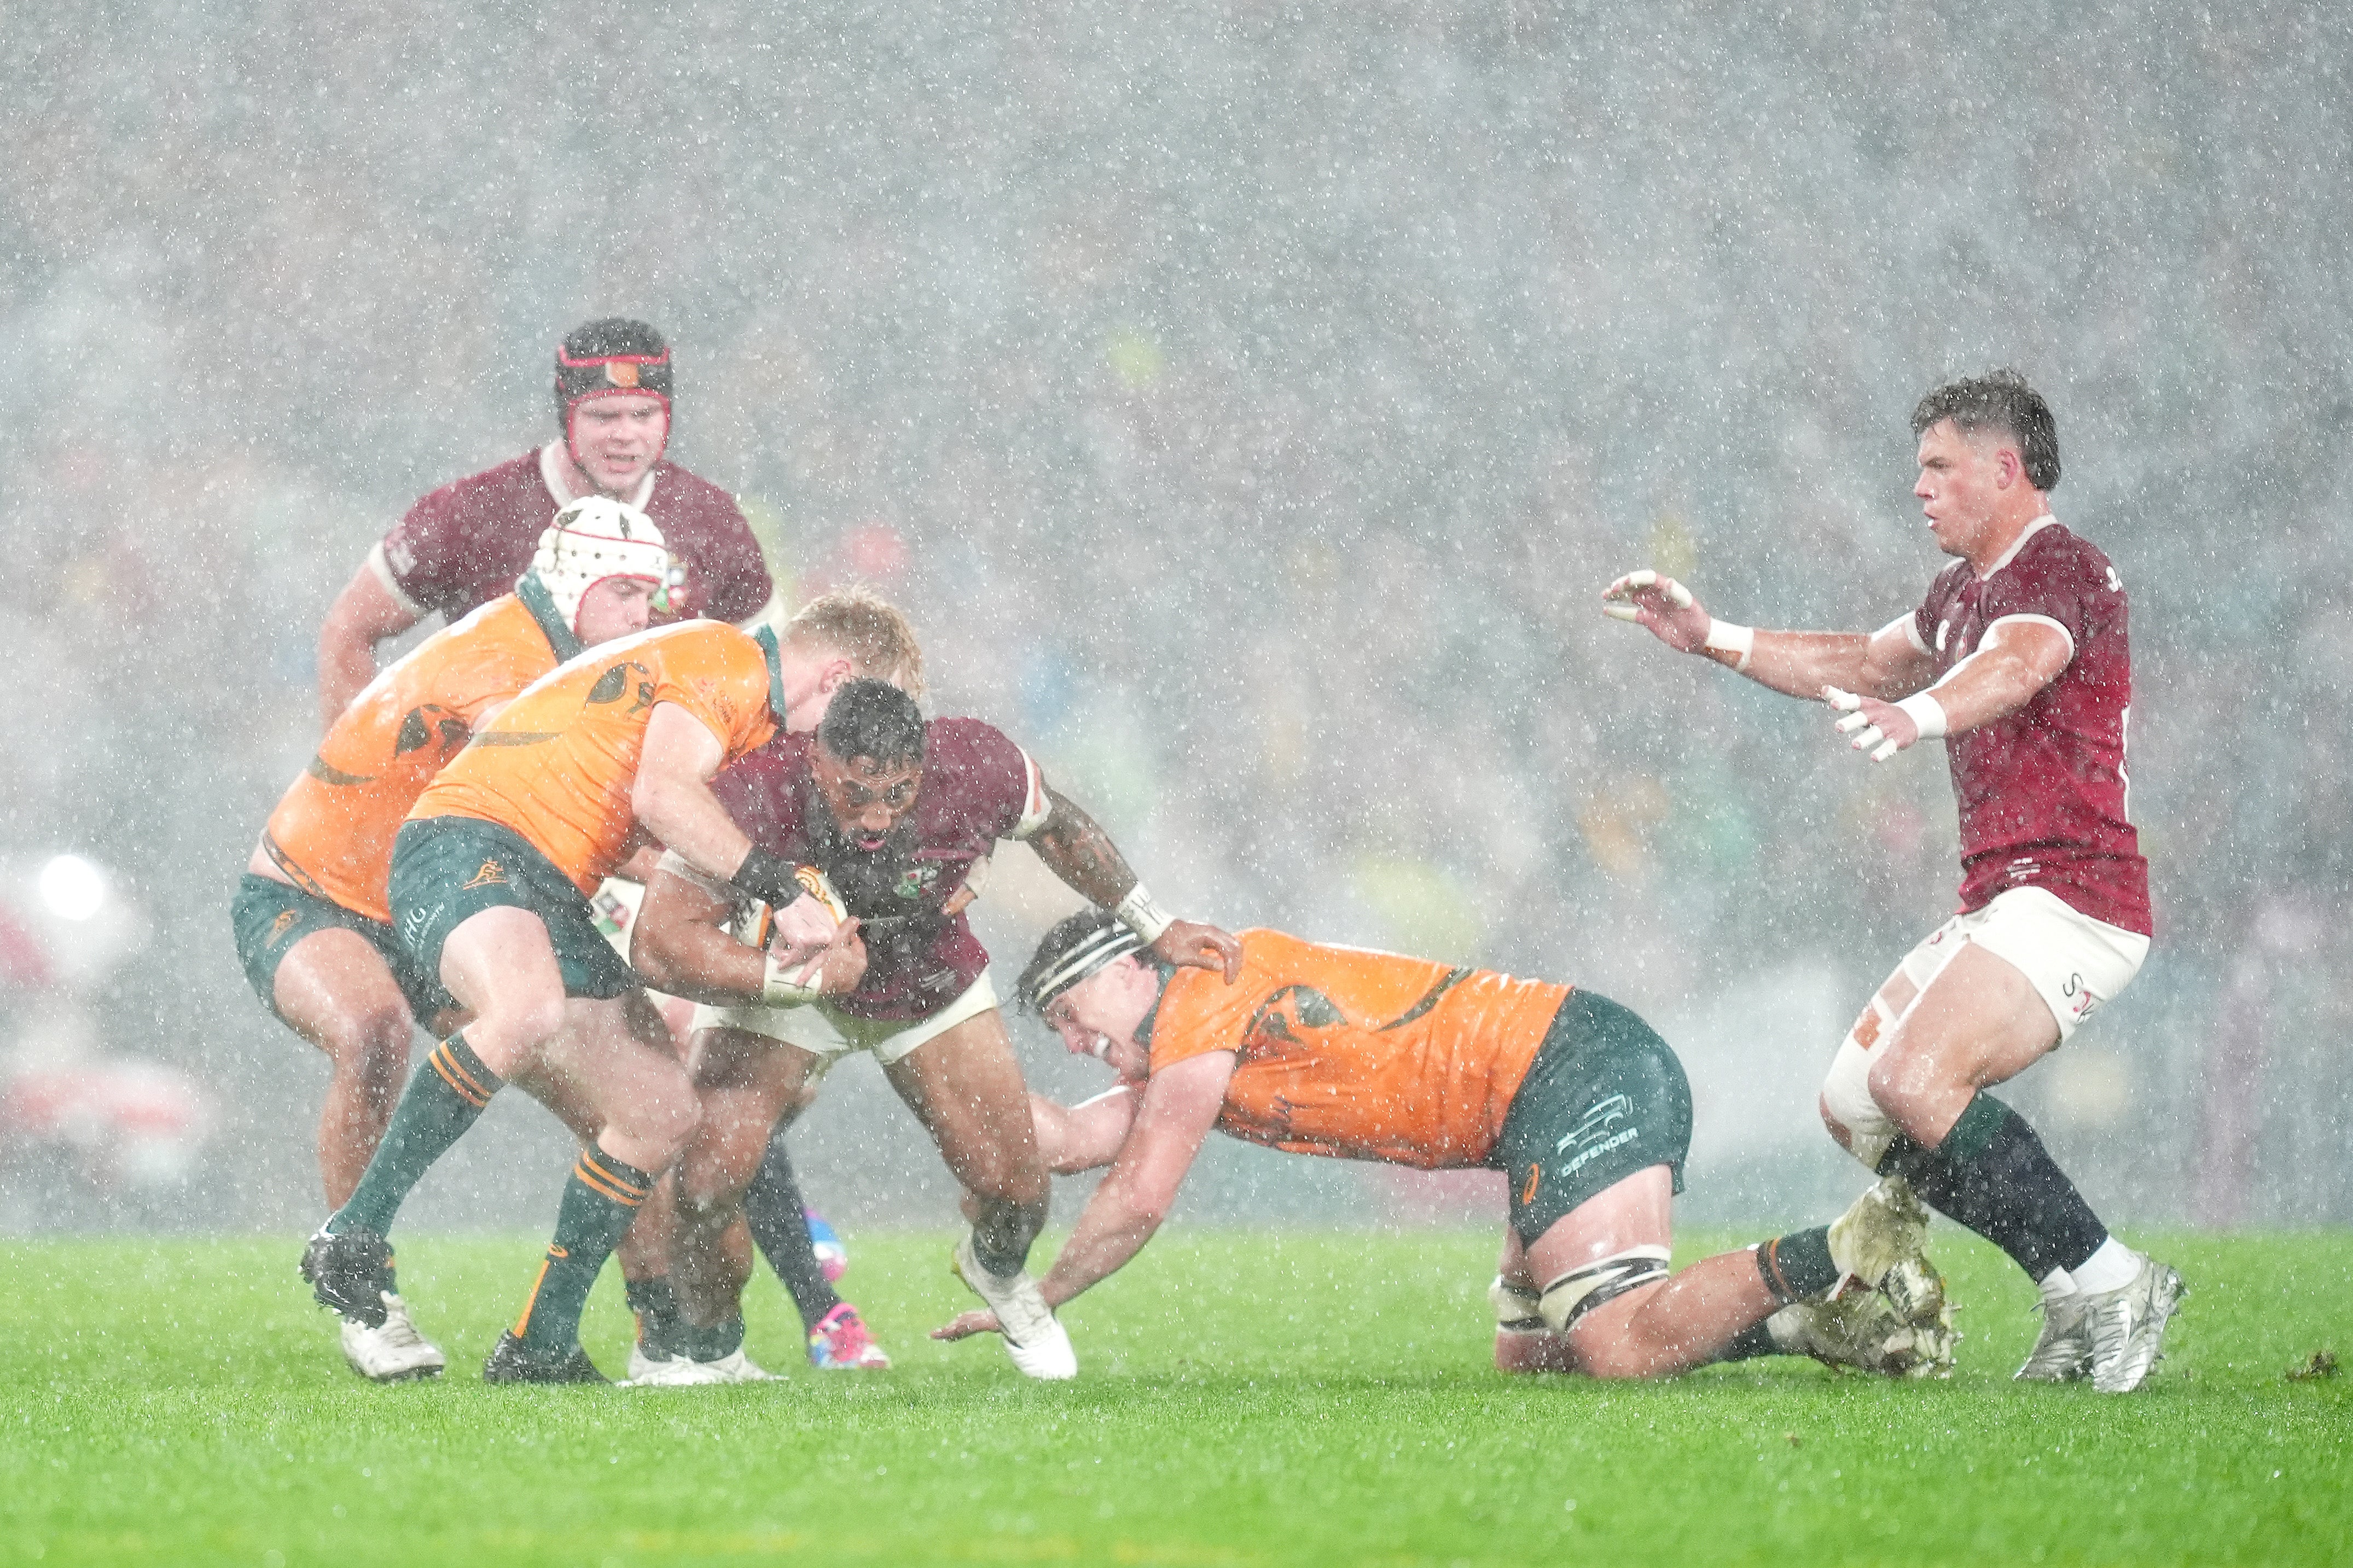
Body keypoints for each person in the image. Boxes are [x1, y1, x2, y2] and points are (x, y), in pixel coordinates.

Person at [1600, 368, 2181, 1393]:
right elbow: (1869, 665)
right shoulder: (1960, 592)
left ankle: (2114, 1276)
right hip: (2005, 897)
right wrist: (1714, 639)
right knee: (1854, 1106)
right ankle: (2067, 1286)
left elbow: (2019, 665)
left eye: (1939, 466)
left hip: (2080, 898)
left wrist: (1922, 717)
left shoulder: (2061, 570)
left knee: (1915, 1081)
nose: (1919, 487)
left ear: (2005, 468)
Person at [300, 598, 918, 1384]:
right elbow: (663, 796)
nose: (858, 741)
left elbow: (659, 835)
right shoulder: (727, 661)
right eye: (862, 708)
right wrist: (779, 890)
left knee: (663, 1111)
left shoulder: (746, 715)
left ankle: (540, 1340)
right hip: (466, 838)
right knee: (526, 1009)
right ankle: (352, 1239)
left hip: (552, 885)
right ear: (840, 674)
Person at [933, 913, 1954, 1380]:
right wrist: (934, 1057)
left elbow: (1140, 1197)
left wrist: (1039, 1298)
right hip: (1549, 1090)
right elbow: (1065, 1140)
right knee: (1535, 1354)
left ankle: (1843, 1248)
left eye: (1070, 1015)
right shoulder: (1180, 1057)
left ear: (1125, 972)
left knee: (1616, 1346)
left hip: (1574, 1068)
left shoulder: (1200, 1000)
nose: (1073, 1044)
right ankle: (1817, 1326)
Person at [630, 679, 1244, 1382]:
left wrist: (1154, 925)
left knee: (1017, 1194)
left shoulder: (976, 766)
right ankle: (713, 1347)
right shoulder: (759, 791)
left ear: (924, 769)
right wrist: (800, 979)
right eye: (856, 792)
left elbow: (1060, 825)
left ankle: (996, 1271)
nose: (876, 817)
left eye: (898, 794)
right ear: (818, 763)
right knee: (706, 1183)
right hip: (792, 982)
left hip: (925, 981)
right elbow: (656, 945)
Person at [234, 496, 669, 1380]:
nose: (645, 619)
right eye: (627, 595)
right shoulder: (511, 665)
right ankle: (362, 1287)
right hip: (311, 894)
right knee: (374, 1031)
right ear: (578, 585)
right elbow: (582, 820)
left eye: (651, 598)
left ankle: (641, 1335)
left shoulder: (555, 651)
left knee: (624, 1104)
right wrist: (718, 875)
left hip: (430, 906)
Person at [314, 318, 773, 725]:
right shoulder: (475, 511)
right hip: (485, 802)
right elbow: (348, 630)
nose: (625, 434)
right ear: (565, 417)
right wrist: (353, 789)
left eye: (643, 414)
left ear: (667, 417)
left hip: (639, 807)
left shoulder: (711, 521)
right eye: (602, 416)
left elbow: (770, 668)